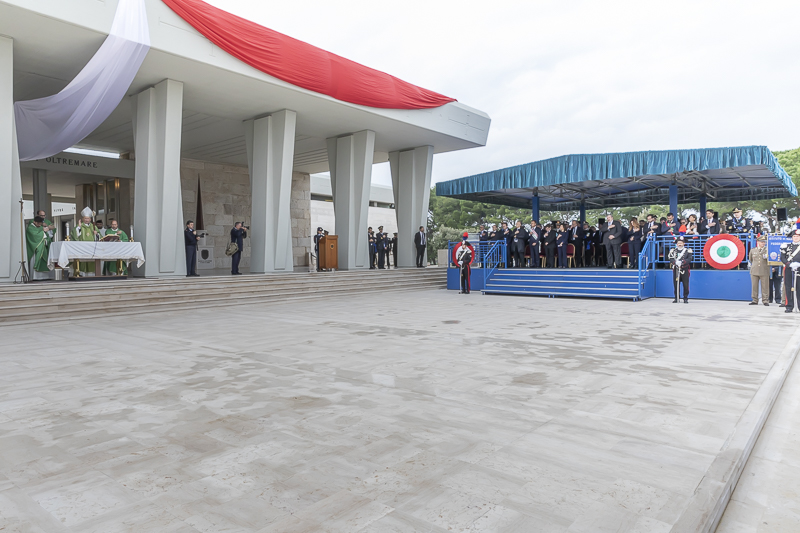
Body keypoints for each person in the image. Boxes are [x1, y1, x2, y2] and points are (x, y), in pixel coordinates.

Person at [71, 207, 99, 275]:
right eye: (85, 218)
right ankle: (81, 274)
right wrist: (79, 228)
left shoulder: (93, 226)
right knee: (82, 261)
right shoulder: (79, 226)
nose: (87, 220)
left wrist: (97, 234)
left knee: (91, 261)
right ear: (83, 219)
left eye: (88, 218)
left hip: (91, 248)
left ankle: (91, 274)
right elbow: (75, 235)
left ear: (90, 219)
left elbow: (99, 238)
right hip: (82, 247)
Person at [780, 229, 800, 313]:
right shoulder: (786, 246)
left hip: (799, 269)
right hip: (789, 269)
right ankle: (789, 306)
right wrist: (789, 264)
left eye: (797, 236)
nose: (795, 238)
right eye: (794, 236)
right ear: (792, 237)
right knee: (788, 287)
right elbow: (782, 257)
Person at [669, 237, 692, 303]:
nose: (679, 244)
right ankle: (676, 298)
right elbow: (670, 258)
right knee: (676, 284)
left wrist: (682, 262)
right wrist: (675, 262)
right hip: (676, 269)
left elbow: (689, 259)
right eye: (678, 243)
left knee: (685, 284)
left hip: (684, 269)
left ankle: (685, 298)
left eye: (681, 243)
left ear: (684, 243)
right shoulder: (673, 251)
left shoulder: (688, 250)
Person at [749, 236, 770, 306]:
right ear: (758, 242)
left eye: (764, 242)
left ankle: (765, 300)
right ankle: (755, 299)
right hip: (754, 270)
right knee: (754, 286)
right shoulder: (753, 250)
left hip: (764, 270)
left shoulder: (767, 250)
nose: (763, 243)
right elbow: (751, 259)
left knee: (765, 286)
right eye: (761, 242)